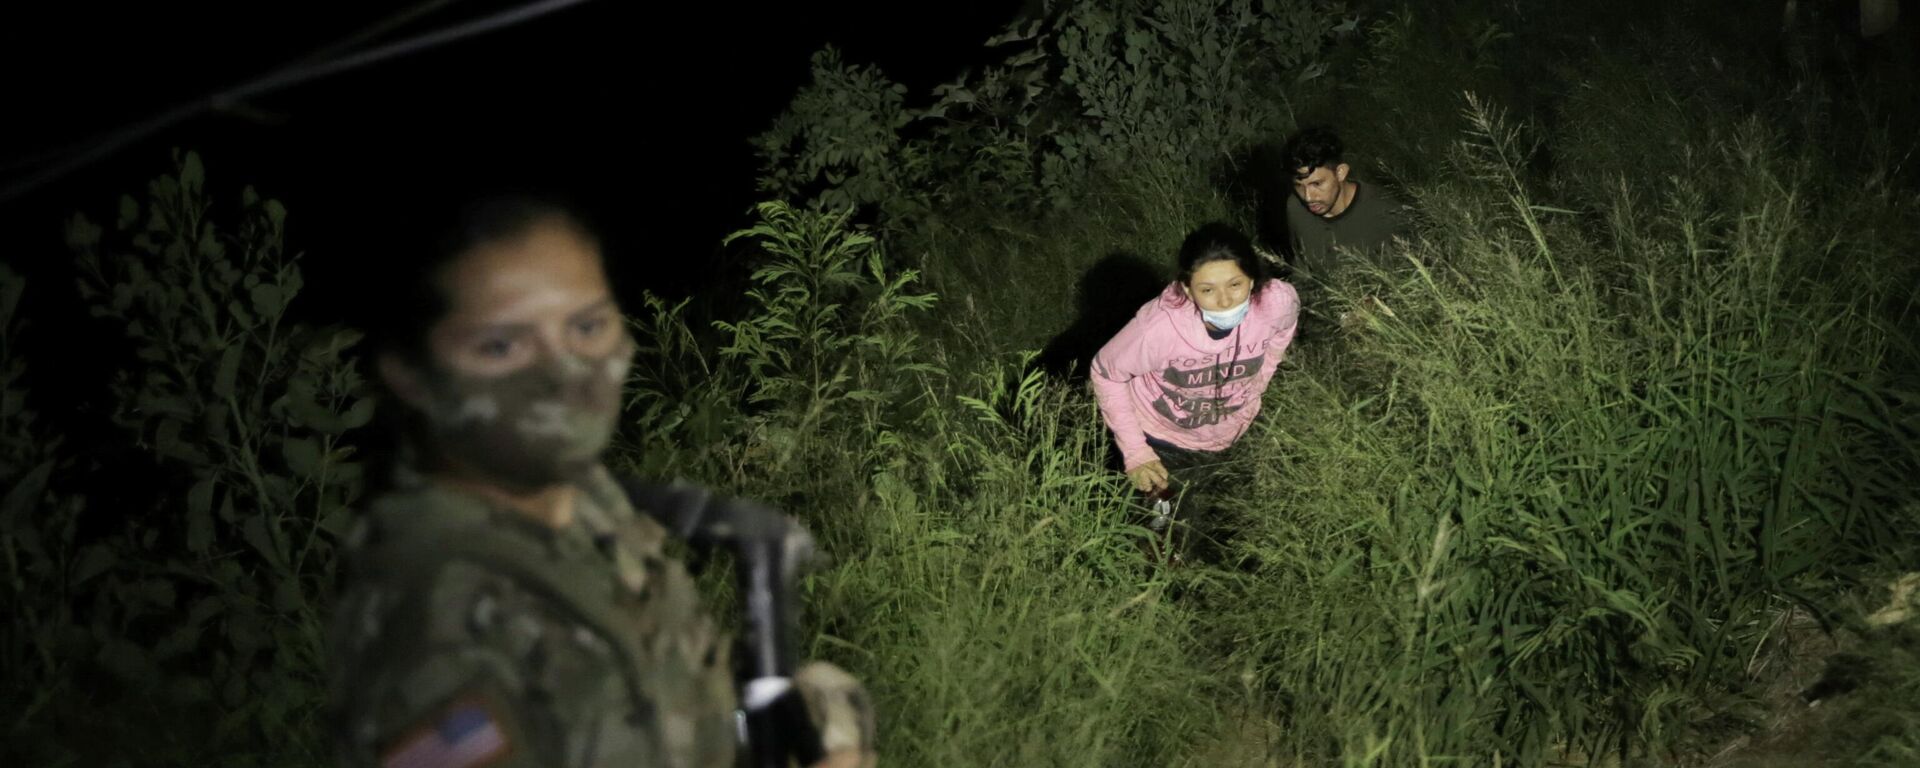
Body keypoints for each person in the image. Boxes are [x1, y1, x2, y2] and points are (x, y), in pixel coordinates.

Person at [324, 194, 876, 768]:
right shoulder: (434, 623)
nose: (564, 375)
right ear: (412, 376)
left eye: (586, 327)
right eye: (501, 346)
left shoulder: (588, 507)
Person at [1090, 223, 1300, 543]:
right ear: (1187, 289)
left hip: (1235, 434)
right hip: (1163, 442)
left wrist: (1259, 383)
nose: (1224, 300)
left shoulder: (1276, 303)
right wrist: (1136, 452)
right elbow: (1106, 373)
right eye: (1207, 290)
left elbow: (1284, 331)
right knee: (1162, 533)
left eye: (1235, 284)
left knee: (1238, 529)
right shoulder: (1157, 329)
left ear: (1253, 279)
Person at [1280, 126, 1412, 282]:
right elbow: (1302, 270)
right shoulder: (1295, 207)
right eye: (1299, 186)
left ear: (1340, 172)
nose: (1308, 197)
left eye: (1317, 184)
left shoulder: (1386, 211)